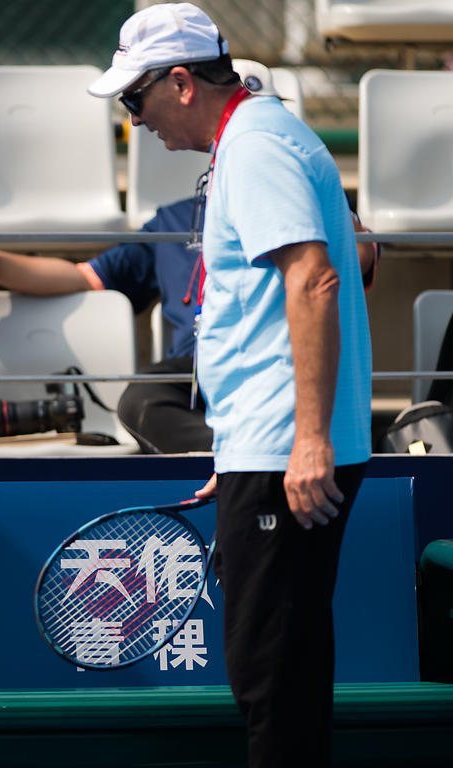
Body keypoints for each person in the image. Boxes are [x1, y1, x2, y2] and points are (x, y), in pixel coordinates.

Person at [88, 4, 372, 767]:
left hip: (285, 451)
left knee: (271, 679)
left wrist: (302, 441)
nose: (134, 118)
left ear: (182, 83)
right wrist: (247, 447)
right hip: (268, 446)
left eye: (135, 97)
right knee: (285, 674)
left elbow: (313, 281)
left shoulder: (255, 146)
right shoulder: (259, 137)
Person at [0, 200, 378, 454]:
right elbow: (85, 277)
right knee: (142, 399)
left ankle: (252, 458)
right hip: (196, 370)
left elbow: (358, 260)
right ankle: (234, 458)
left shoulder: (300, 203)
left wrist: (337, 222)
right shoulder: (177, 218)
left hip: (273, 362)